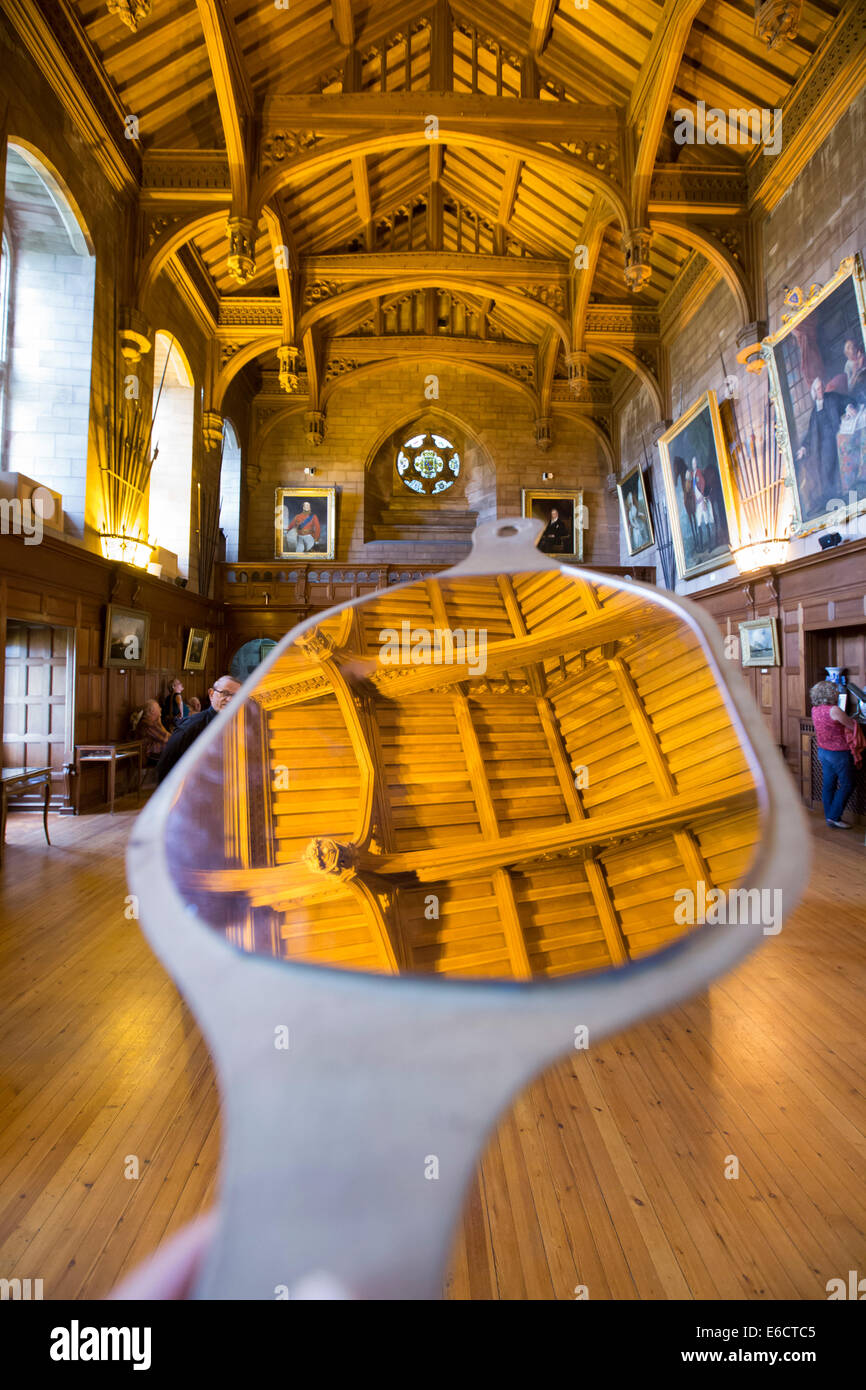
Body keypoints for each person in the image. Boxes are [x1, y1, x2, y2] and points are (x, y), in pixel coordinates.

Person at [155, 676, 241, 784]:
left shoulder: (243, 726)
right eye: (225, 693)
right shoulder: (190, 727)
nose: (230, 699)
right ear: (211, 694)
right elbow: (165, 769)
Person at [810, 679, 858, 828]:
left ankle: (830, 816)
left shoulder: (814, 709)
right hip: (839, 753)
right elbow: (851, 725)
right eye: (835, 690)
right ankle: (834, 816)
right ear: (830, 693)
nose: (838, 692)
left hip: (823, 751)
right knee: (848, 784)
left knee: (828, 784)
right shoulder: (834, 710)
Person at [135, 699, 171, 767]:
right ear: (152, 711)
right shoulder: (147, 723)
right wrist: (160, 724)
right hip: (149, 756)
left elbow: (169, 737)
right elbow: (166, 738)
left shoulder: (152, 723)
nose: (160, 709)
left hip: (156, 754)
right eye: (158, 707)